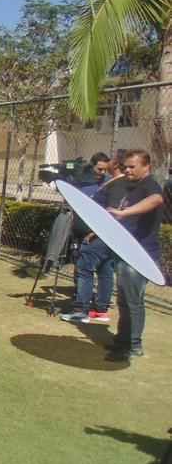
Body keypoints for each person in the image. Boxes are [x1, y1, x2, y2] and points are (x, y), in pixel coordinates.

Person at [105, 149, 165, 361]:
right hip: (126, 253)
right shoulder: (133, 187)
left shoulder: (150, 184)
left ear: (146, 166)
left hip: (141, 255)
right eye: (126, 166)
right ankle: (122, 340)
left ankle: (133, 345)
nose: (127, 170)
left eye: (132, 166)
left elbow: (156, 199)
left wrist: (123, 212)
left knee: (133, 302)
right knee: (123, 300)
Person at [61, 155, 128, 324]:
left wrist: (94, 233)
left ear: (116, 165)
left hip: (102, 236)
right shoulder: (118, 183)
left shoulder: (117, 185)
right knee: (105, 269)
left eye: (111, 161)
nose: (107, 165)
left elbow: (112, 212)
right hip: (110, 237)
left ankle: (80, 310)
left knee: (84, 267)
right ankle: (100, 310)